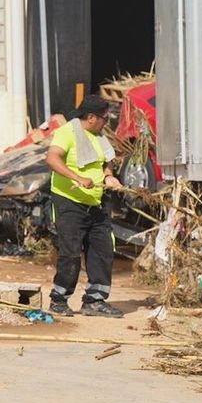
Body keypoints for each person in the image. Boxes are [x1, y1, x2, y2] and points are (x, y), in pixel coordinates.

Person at [44, 95, 125, 318]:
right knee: (70, 253)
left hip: (96, 203)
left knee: (102, 250)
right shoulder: (67, 133)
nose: (107, 122)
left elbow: (106, 161)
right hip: (70, 202)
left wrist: (109, 176)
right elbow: (52, 159)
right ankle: (59, 300)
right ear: (91, 117)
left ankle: (95, 301)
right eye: (104, 118)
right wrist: (78, 178)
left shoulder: (99, 136)